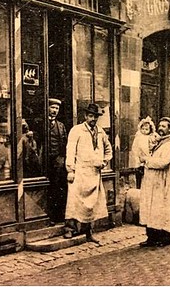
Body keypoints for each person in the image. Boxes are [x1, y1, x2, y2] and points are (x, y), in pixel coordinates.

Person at [64, 103, 112, 243]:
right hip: (79, 172)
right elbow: (70, 150)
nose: (93, 119)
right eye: (91, 116)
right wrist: (70, 170)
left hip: (94, 173)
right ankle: (69, 229)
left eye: (96, 117)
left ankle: (88, 231)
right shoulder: (77, 130)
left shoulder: (101, 132)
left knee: (91, 204)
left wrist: (104, 161)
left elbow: (108, 149)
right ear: (85, 116)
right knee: (74, 201)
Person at [139, 117, 170, 247]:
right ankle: (151, 237)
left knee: (161, 208)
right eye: (160, 126)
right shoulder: (157, 142)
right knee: (150, 208)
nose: (161, 128)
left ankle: (165, 238)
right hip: (152, 180)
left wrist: (147, 161)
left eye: (164, 126)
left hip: (162, 182)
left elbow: (163, 162)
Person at [47, 98, 68, 224]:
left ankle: (58, 216)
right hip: (46, 162)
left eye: (57, 108)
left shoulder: (61, 126)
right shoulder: (41, 123)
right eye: (52, 108)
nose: (54, 110)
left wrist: (62, 159)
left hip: (58, 162)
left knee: (58, 188)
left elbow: (65, 144)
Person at [131, 116, 159, 188]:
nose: (144, 131)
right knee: (140, 176)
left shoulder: (151, 137)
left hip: (149, 159)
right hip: (140, 159)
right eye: (142, 129)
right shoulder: (138, 137)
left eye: (146, 129)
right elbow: (135, 149)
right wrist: (137, 159)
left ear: (150, 130)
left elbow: (155, 146)